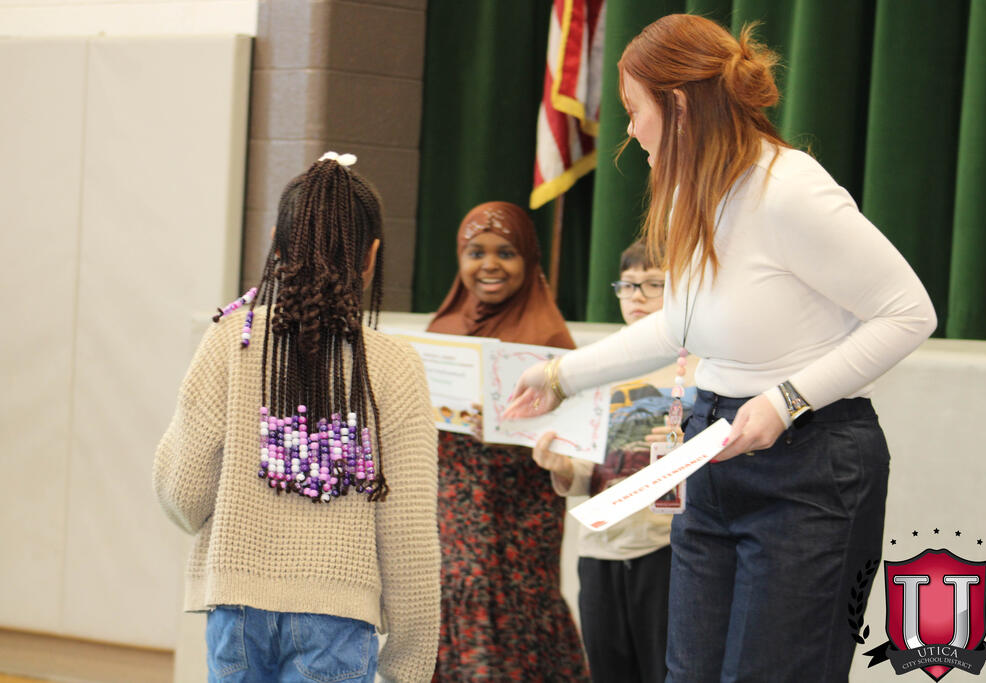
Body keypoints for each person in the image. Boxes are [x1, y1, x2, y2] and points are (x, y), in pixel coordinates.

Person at [505, 14, 937, 682]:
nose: (629, 131)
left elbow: (910, 312)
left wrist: (787, 400)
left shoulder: (789, 189)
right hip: (712, 452)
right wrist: (562, 374)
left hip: (811, 469)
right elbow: (677, 325)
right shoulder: (692, 192)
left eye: (634, 111)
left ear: (678, 106)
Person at [153, 153, 440, 682]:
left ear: (277, 246)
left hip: (236, 608)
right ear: (372, 257)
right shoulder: (396, 366)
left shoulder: (232, 339)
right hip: (341, 617)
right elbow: (409, 534)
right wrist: (409, 665)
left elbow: (184, 492)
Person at [427, 201, 588, 681]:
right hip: (454, 501)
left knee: (515, 605)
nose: (490, 265)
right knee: (459, 593)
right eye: (476, 252)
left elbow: (574, 434)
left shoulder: (549, 337)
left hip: (522, 504)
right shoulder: (441, 331)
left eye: (506, 252)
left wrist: (511, 431)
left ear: (529, 260)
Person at [532, 241, 692, 683]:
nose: (636, 296)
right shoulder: (599, 366)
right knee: (606, 669)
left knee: (667, 669)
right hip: (599, 547)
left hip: (667, 547)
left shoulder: (702, 367)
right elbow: (587, 470)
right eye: (628, 285)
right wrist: (562, 467)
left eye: (653, 284)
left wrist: (692, 447)